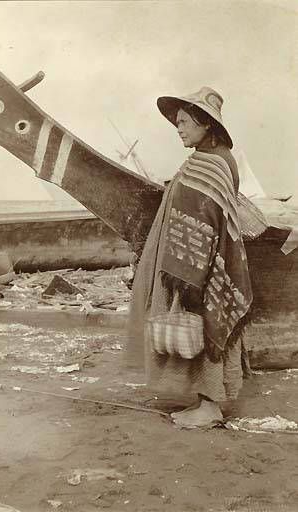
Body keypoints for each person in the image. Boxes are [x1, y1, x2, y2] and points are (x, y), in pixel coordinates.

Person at [127, 87, 253, 428]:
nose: (179, 129)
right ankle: (204, 402)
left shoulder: (213, 163)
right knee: (202, 328)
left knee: (206, 324)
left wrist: (190, 273)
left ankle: (210, 408)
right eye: (177, 123)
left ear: (205, 124)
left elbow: (207, 216)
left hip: (203, 265)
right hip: (201, 261)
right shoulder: (210, 158)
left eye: (184, 122)